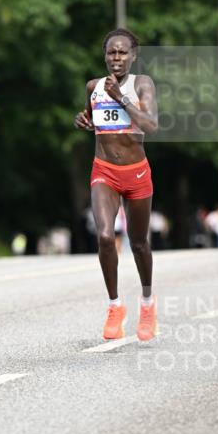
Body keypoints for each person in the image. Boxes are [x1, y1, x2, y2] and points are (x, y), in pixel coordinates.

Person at [74, 27, 159, 341]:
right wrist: (83, 121)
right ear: (105, 56)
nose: (117, 58)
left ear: (133, 55)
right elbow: (94, 119)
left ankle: (148, 304)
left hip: (136, 173)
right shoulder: (94, 86)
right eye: (112, 52)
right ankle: (114, 307)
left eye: (123, 52)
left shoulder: (142, 85)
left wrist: (121, 98)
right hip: (104, 171)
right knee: (106, 237)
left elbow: (151, 126)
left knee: (138, 243)